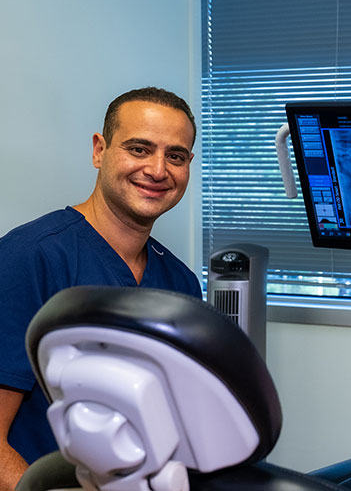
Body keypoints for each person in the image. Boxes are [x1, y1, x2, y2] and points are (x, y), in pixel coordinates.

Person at [0, 87, 202, 489]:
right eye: (139, 149)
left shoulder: (180, 283)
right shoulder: (29, 257)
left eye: (175, 156)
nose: (158, 170)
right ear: (99, 150)